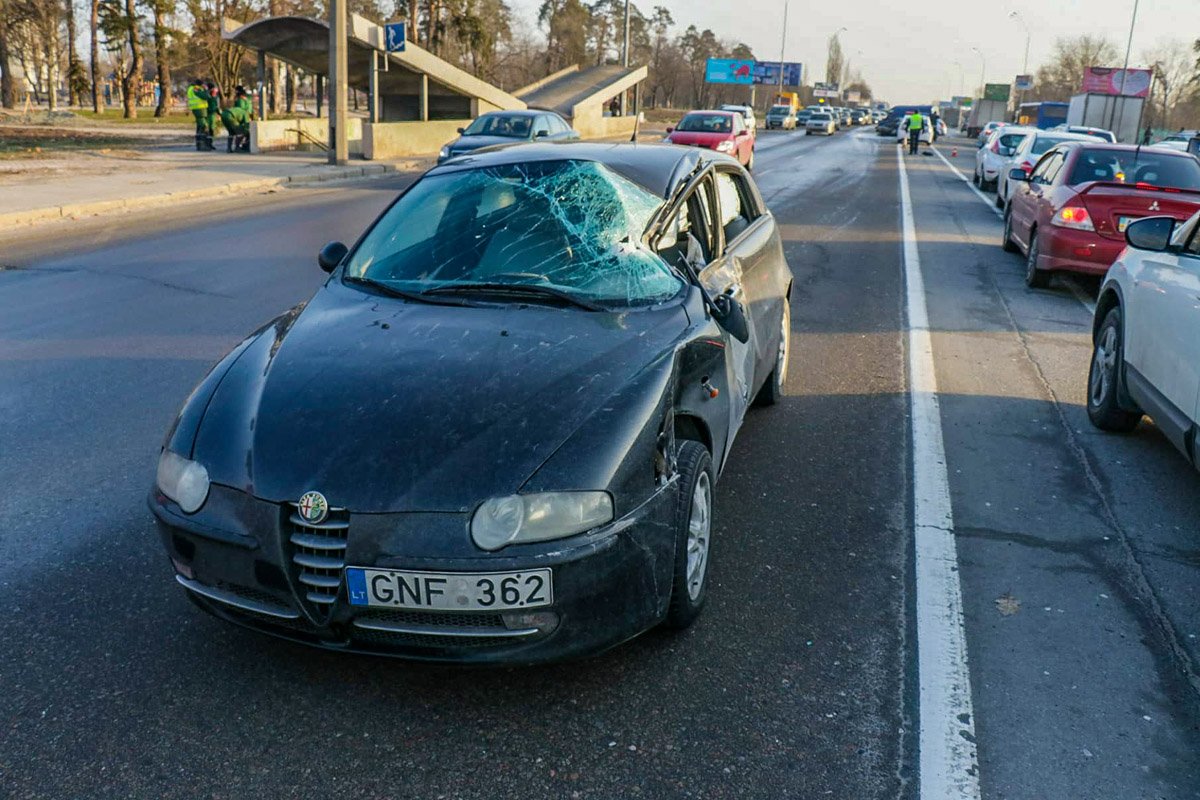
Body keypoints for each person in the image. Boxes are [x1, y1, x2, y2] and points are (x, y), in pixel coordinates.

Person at [186, 78, 214, 151]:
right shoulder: (196, 89)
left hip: (197, 109)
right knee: (204, 126)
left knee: (200, 126)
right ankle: (203, 145)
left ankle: (200, 144)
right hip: (200, 109)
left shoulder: (191, 88)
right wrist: (206, 90)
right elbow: (206, 96)